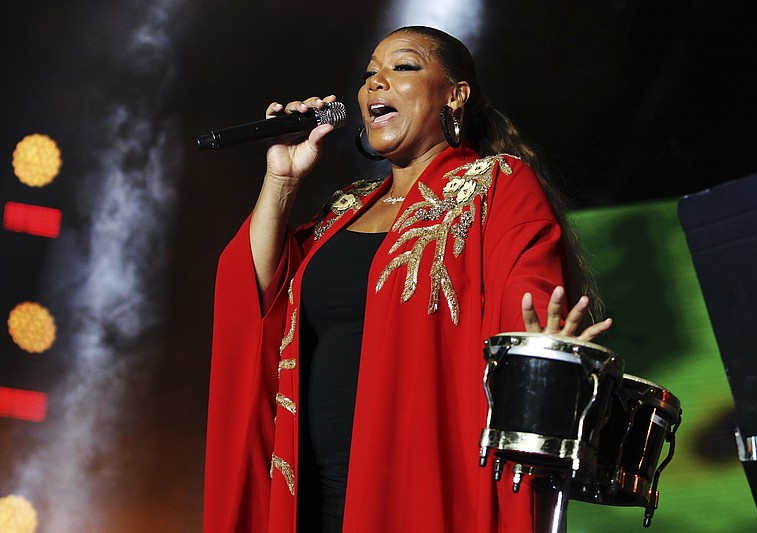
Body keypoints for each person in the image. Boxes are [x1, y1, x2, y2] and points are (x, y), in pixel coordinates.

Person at [203, 25, 612, 533]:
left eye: (403, 67)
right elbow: (255, 293)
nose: (376, 83)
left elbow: (525, 300)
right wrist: (282, 178)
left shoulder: (494, 186)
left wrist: (542, 349)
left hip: (420, 495)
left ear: (456, 95)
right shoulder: (343, 209)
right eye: (369, 73)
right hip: (311, 497)